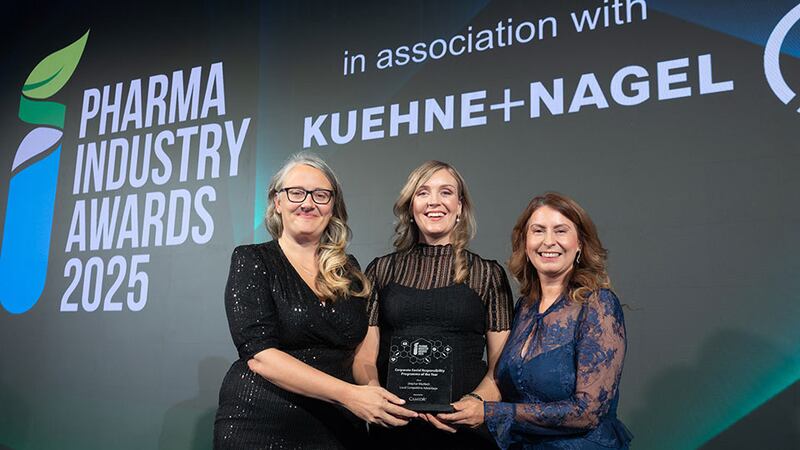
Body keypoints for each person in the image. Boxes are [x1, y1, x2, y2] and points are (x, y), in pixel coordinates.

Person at [214, 153, 417, 449]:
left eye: (320, 195)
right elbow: (260, 356)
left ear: (332, 206)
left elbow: (361, 353)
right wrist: (350, 395)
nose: (308, 203)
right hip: (262, 422)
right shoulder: (252, 259)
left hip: (338, 426)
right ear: (277, 202)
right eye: (296, 192)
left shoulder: (350, 270)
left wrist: (371, 391)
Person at [355, 160, 514, 449]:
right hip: (393, 428)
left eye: (446, 192)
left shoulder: (487, 274)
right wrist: (374, 394)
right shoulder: (381, 270)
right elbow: (364, 355)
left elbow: (501, 367)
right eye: (423, 192)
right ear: (410, 206)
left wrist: (477, 402)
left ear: (460, 206)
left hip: (464, 431)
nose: (434, 201)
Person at [465, 192, 632, 449]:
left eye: (561, 231)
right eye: (538, 231)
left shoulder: (598, 305)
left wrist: (490, 412)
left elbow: (588, 412)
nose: (549, 241)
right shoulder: (524, 308)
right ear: (525, 243)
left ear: (580, 243)